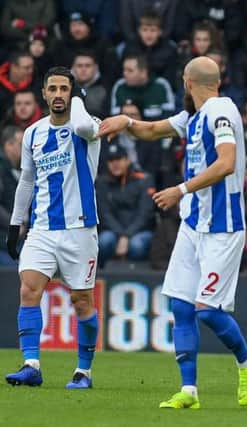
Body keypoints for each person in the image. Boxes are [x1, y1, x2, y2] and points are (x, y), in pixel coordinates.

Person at [96, 56, 247, 409]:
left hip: (222, 226)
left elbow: (226, 162)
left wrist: (181, 189)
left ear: (187, 82)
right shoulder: (194, 117)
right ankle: (189, 391)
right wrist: (126, 121)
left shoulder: (221, 112)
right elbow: (153, 130)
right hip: (193, 225)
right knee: (181, 307)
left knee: (207, 310)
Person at [4, 66, 101, 389]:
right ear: (43, 93)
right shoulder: (33, 133)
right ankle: (31, 364)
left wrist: (79, 103)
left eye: (64, 89)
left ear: (72, 94)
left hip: (80, 229)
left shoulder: (87, 127)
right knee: (28, 289)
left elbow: (85, 124)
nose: (58, 94)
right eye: (53, 89)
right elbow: (27, 182)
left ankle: (83, 371)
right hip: (43, 228)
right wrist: (15, 225)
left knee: (82, 301)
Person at [96, 143, 155, 267]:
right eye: (111, 160)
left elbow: (145, 213)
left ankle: (136, 276)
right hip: (113, 231)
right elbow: (104, 213)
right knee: (104, 241)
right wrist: (121, 235)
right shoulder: (102, 182)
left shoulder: (144, 179)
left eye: (119, 159)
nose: (115, 164)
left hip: (139, 231)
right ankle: (99, 276)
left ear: (127, 160)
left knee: (136, 245)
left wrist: (127, 235)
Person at [109, 54, 175, 120]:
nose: (124, 74)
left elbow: (169, 116)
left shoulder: (161, 85)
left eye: (130, 70)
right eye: (124, 70)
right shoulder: (119, 85)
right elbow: (113, 116)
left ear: (143, 72)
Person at [0, 126, 23, 266]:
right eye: (21, 145)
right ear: (9, 145)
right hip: (4, 238)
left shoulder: (22, 170)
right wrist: (14, 224)